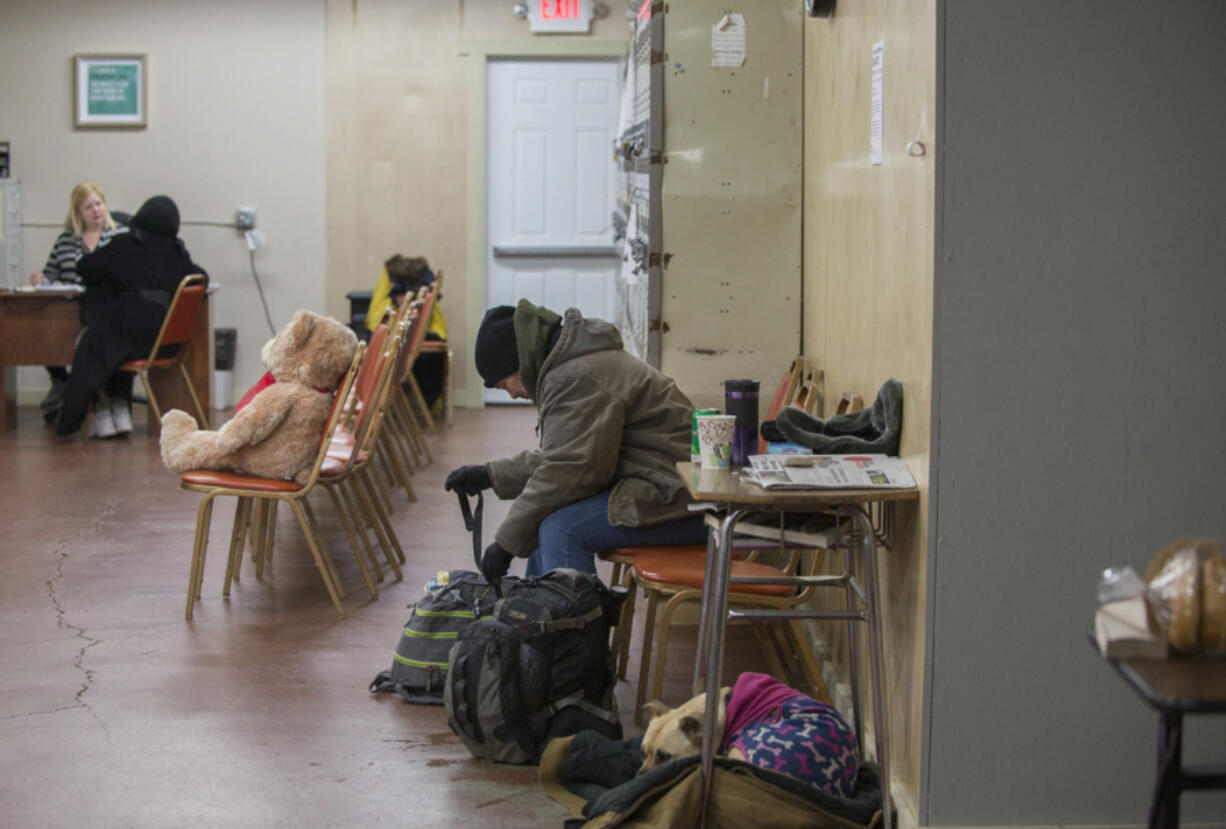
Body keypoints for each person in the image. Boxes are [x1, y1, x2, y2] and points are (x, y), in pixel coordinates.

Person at [444, 299, 707, 584]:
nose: (510, 395)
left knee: (562, 529)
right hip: (670, 487)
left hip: (685, 500)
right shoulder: (573, 365)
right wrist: (490, 475)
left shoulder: (575, 376)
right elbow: (568, 455)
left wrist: (504, 544)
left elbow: (568, 470)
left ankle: (571, 626)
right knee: (549, 514)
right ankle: (540, 622)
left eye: (504, 384)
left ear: (519, 361)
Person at [55, 195, 207, 438]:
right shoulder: (177, 250)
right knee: (113, 340)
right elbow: (201, 276)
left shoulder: (127, 245)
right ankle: (118, 410)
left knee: (95, 342)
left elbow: (86, 268)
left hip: (133, 332)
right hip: (167, 342)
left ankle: (70, 423)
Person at [28, 181, 125, 422]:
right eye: (88, 207)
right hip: (70, 312)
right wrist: (41, 278)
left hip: (106, 313)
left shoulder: (120, 236)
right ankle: (62, 381)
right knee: (41, 331)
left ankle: (100, 400)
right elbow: (51, 275)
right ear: (77, 213)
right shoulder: (66, 241)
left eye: (99, 203)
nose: (96, 210)